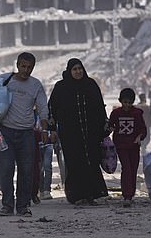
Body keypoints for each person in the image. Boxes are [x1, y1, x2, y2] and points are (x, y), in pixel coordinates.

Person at [0, 52, 49, 217]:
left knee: (26, 171)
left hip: (27, 134)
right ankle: (7, 206)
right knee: (6, 170)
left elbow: (43, 108)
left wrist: (45, 129)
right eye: (23, 66)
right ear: (17, 65)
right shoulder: (5, 79)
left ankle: (23, 206)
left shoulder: (36, 85)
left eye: (29, 67)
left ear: (33, 67)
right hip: (6, 133)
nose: (26, 70)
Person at [48, 58, 108, 206]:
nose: (78, 72)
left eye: (80, 69)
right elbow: (52, 109)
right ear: (69, 71)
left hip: (91, 132)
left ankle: (92, 195)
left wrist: (105, 125)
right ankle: (77, 196)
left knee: (92, 161)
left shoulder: (91, 85)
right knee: (75, 163)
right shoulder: (61, 87)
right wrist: (52, 130)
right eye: (74, 69)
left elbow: (100, 107)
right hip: (71, 134)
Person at [109, 88, 147, 207]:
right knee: (126, 168)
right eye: (125, 102)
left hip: (134, 146)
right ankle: (127, 195)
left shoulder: (137, 113)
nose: (127, 105)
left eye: (129, 102)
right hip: (121, 145)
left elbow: (143, 129)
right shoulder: (116, 113)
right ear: (121, 101)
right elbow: (110, 126)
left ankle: (131, 193)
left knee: (133, 169)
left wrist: (139, 137)